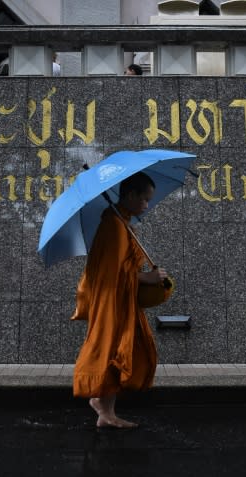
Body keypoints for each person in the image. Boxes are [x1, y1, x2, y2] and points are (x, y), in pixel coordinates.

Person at [71, 171, 167, 428]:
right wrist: (147, 278)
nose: (146, 205)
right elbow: (113, 274)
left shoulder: (122, 224)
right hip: (112, 302)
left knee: (119, 346)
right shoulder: (113, 226)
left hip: (121, 300)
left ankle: (105, 410)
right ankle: (103, 408)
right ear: (131, 195)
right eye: (144, 199)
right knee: (112, 347)